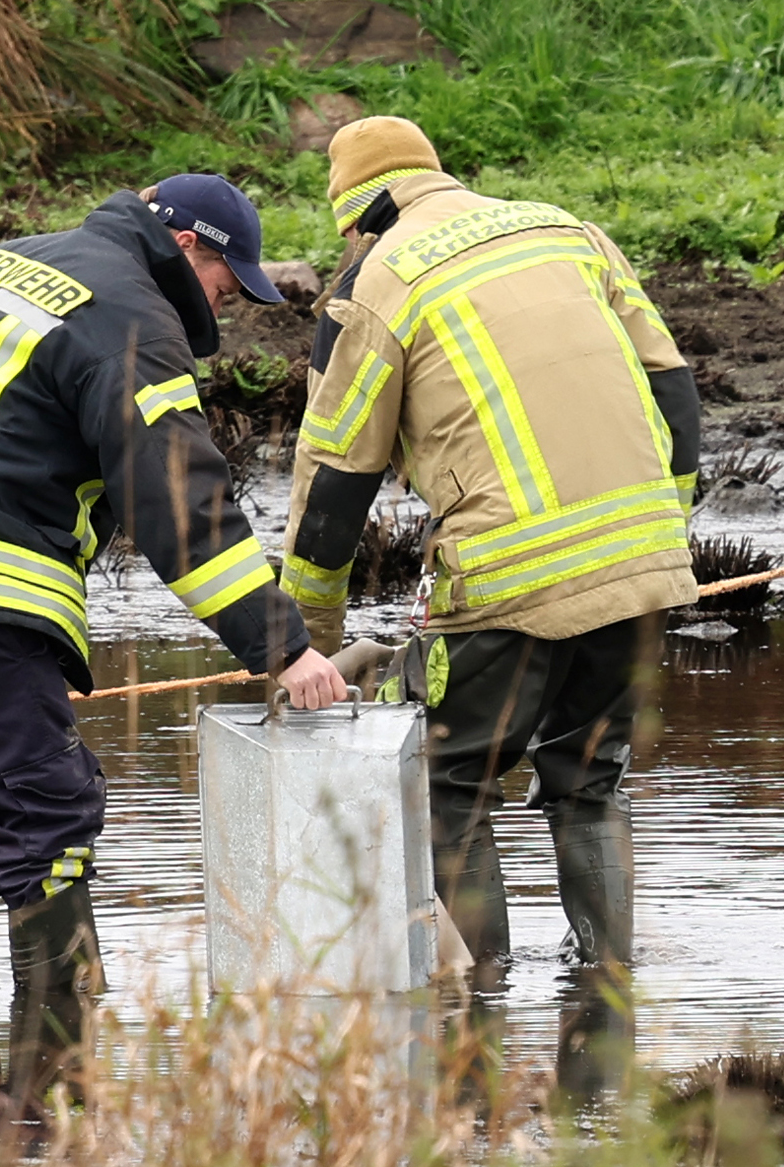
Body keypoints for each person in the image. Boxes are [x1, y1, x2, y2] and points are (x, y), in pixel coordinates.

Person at [0, 173, 345, 1141]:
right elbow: (174, 496)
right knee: (49, 812)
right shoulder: (128, 315)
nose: (229, 303)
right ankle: (53, 1097)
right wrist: (284, 648)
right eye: (228, 280)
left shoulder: (4, 261)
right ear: (188, 247)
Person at [281, 116, 700, 972]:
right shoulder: (568, 231)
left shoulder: (376, 285)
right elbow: (676, 395)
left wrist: (310, 649)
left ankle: (487, 1011)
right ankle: (606, 988)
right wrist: (663, 539)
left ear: (358, 221)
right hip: (643, 564)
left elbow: (332, 494)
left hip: (506, 576)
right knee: (589, 782)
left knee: (449, 787)